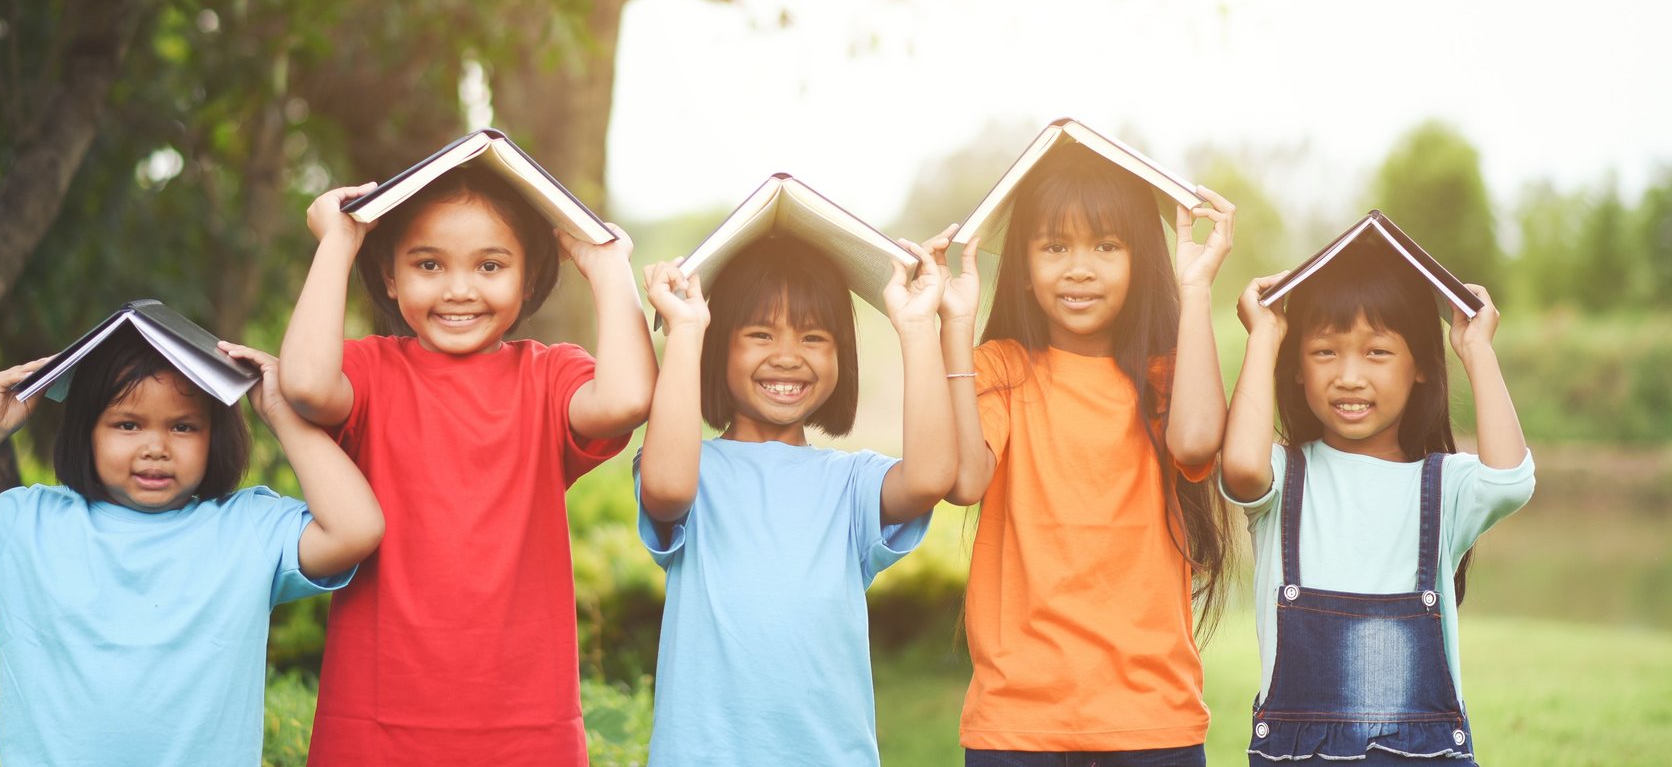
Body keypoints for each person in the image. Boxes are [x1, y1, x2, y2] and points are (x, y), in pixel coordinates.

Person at [279, 167, 657, 765]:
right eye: (429, 265)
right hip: (376, 722)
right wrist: (339, 241)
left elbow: (627, 400)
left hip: (525, 725)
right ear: (390, 276)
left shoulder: (549, 376)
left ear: (529, 278)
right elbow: (300, 383)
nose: (459, 289)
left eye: (490, 266)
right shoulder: (371, 373)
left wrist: (609, 266)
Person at [0, 337, 381, 767]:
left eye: (183, 426)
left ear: (215, 435)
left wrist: (280, 414)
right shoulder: (24, 524)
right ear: (85, 432)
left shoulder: (249, 528)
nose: (155, 447)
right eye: (127, 424)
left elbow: (355, 530)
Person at [941, 142, 1236, 764]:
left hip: (1152, 719)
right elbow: (964, 479)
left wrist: (1197, 289)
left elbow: (1198, 442)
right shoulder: (1001, 370)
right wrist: (953, 333)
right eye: (1055, 247)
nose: (1080, 269)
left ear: (1139, 262)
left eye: (1106, 246)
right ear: (1022, 266)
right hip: (1017, 721)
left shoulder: (1165, 380)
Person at [637, 235, 956, 765]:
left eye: (814, 338)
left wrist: (919, 327)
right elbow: (667, 490)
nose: (787, 357)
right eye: (760, 334)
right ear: (721, 348)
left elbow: (929, 478)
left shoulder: (852, 483)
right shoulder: (692, 471)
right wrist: (688, 333)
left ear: (841, 358)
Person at [1221, 242, 1533, 763]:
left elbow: (1508, 483)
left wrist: (1477, 349)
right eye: (1324, 351)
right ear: (1296, 366)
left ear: (1420, 368)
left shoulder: (1443, 486)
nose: (1348, 375)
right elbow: (1242, 468)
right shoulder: (1283, 476)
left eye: (1377, 352)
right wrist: (1264, 336)